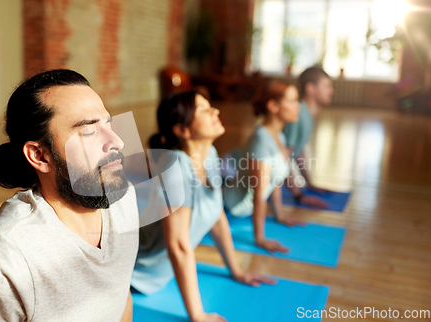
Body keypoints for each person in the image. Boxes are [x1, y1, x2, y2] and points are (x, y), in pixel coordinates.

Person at [0, 69, 139, 322]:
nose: (116, 141)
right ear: (39, 155)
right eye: (89, 131)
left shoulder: (123, 200)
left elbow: (121, 294)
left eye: (109, 123)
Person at [131, 91, 275, 322]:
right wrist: (198, 315)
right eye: (205, 110)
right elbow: (177, 245)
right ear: (182, 130)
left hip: (161, 277)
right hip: (134, 275)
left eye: (211, 107)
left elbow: (216, 217)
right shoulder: (175, 167)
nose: (215, 111)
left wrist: (236, 271)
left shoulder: (210, 155)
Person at [222, 81, 304, 253]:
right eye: (292, 101)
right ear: (273, 106)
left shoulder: (278, 136)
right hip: (227, 208)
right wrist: (259, 238)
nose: (298, 106)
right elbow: (259, 195)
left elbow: (275, 180)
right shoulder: (261, 141)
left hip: (242, 210)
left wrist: (279, 216)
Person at [283, 67, 335, 202]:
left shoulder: (306, 114)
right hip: (235, 173)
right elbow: (283, 158)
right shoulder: (298, 114)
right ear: (310, 88)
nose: (331, 91)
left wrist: (309, 184)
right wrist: (299, 195)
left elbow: (298, 151)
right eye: (327, 86)